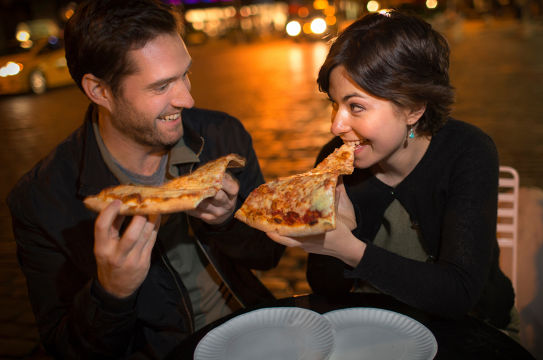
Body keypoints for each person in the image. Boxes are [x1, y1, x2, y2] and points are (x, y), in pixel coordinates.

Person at [6, 0, 284, 358]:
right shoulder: (40, 200)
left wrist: (227, 222)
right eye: (161, 86)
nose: (187, 97)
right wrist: (111, 293)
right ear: (100, 91)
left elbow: (268, 256)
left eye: (185, 73)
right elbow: (65, 348)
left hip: (250, 328)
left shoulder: (221, 134)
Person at [268, 11, 517, 334]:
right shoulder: (334, 158)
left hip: (474, 331)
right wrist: (340, 231)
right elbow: (325, 288)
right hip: (378, 330)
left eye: (355, 106)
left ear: (414, 107)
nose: (336, 125)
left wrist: (350, 249)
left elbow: (460, 295)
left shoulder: (468, 152)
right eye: (334, 103)